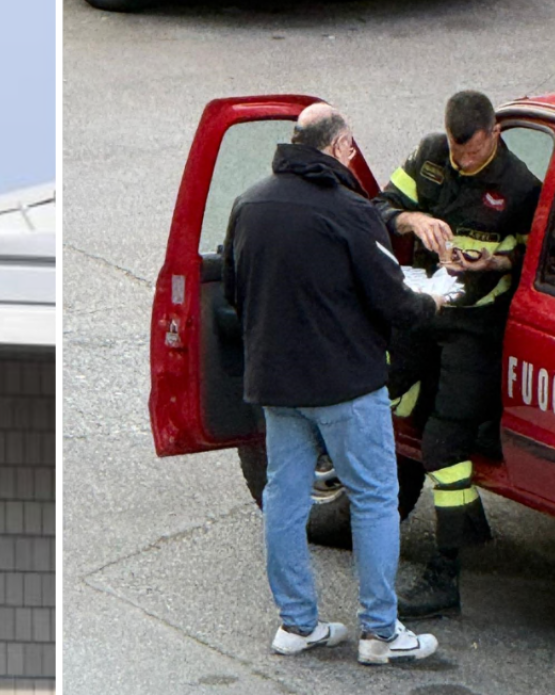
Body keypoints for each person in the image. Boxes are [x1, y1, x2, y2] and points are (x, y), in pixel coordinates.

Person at [223, 102, 441, 665]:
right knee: (374, 498)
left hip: (275, 381)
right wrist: (433, 300)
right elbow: (391, 299)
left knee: (285, 499)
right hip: (345, 384)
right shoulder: (350, 212)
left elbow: (233, 291)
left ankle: (297, 625)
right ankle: (381, 633)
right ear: (341, 146)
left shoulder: (248, 204)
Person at [374, 91, 541, 619]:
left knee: (446, 445)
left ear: (493, 133)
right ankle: (380, 499)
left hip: (476, 329)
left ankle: (446, 574)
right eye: (453, 149)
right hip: (423, 306)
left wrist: (494, 260)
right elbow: (375, 207)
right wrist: (411, 222)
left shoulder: (520, 187)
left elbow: (540, 256)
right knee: (376, 391)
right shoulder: (429, 156)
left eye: (469, 153)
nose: (460, 162)